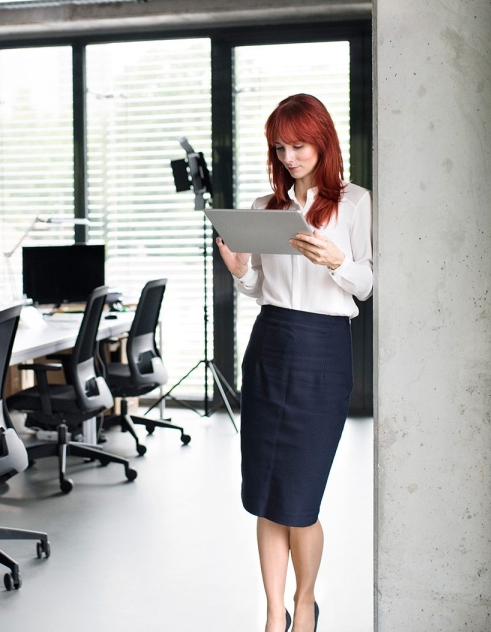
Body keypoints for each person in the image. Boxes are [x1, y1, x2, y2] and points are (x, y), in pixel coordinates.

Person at [216, 93, 373, 632]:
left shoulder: (355, 203)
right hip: (270, 344)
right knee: (266, 493)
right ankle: (272, 612)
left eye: (299, 146)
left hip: (323, 349)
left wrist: (339, 262)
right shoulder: (266, 207)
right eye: (280, 148)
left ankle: (305, 603)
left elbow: (366, 284)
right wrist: (240, 269)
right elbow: (258, 287)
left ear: (323, 142)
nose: (289, 157)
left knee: (300, 499)